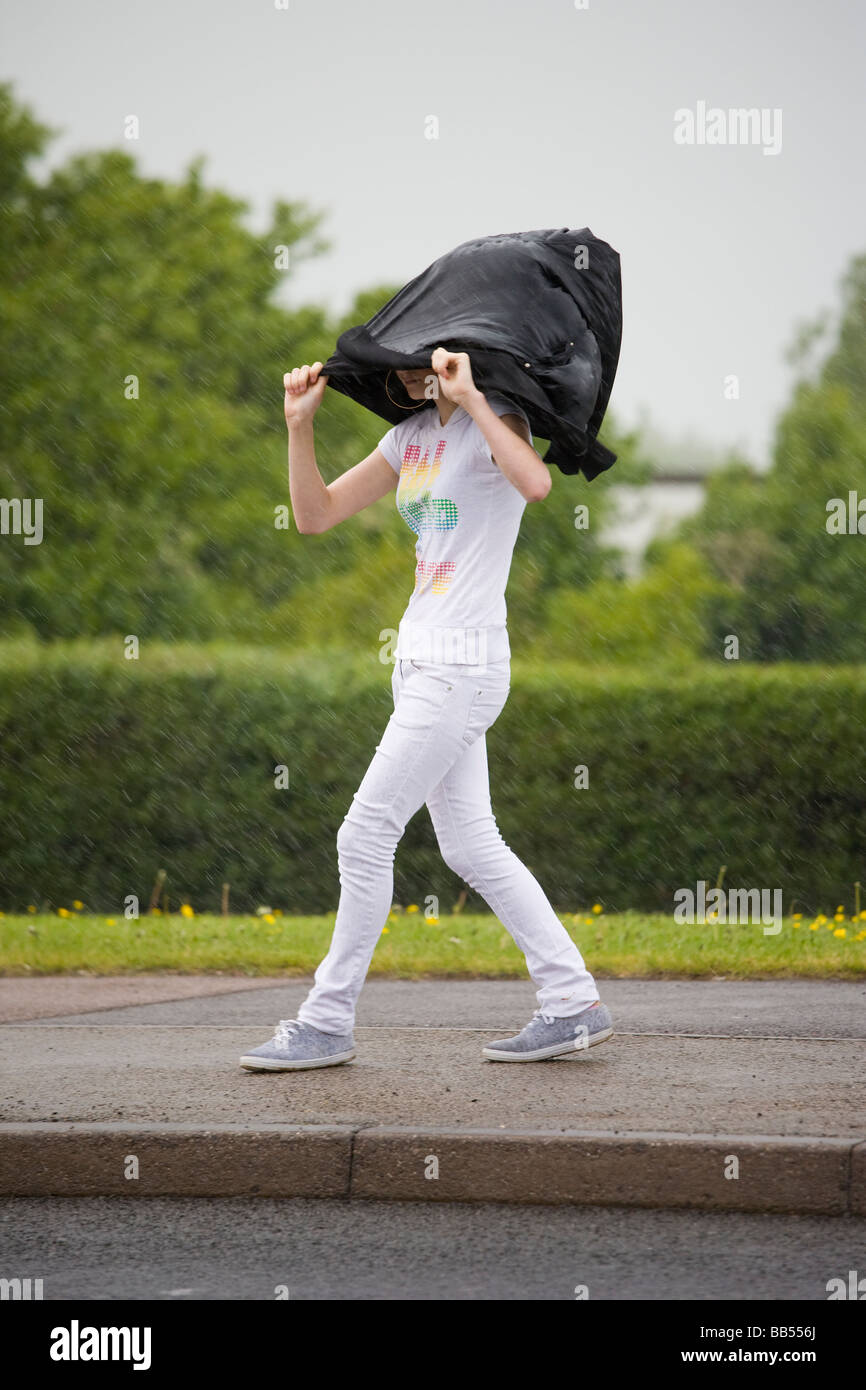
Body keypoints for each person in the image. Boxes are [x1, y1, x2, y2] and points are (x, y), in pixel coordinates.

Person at [240, 347, 613, 1071]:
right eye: (405, 364)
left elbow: (535, 485)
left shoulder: (497, 421)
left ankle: (325, 1021)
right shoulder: (406, 438)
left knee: (363, 834)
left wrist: (473, 398)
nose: (414, 373)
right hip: (417, 663)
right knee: (471, 846)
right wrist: (298, 427)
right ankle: (574, 1004)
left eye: (429, 359)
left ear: (462, 360)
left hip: (462, 667)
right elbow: (316, 516)